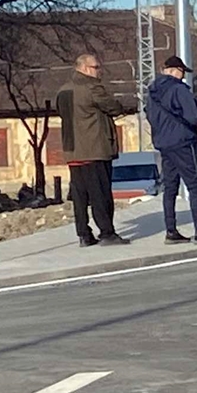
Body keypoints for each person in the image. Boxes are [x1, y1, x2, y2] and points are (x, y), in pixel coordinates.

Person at [145, 56, 197, 245]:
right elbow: (193, 116)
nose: (183, 77)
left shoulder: (152, 93)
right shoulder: (179, 90)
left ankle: (171, 231)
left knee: (170, 187)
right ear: (174, 70)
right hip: (182, 141)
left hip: (164, 143)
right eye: (181, 72)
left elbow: (151, 117)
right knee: (195, 185)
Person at [56, 53, 131, 247]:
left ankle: (84, 234)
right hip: (94, 149)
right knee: (101, 194)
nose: (100, 71)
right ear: (85, 68)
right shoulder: (92, 88)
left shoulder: (63, 91)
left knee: (80, 196)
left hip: (72, 151)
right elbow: (113, 107)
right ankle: (107, 233)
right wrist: (121, 106)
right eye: (96, 67)